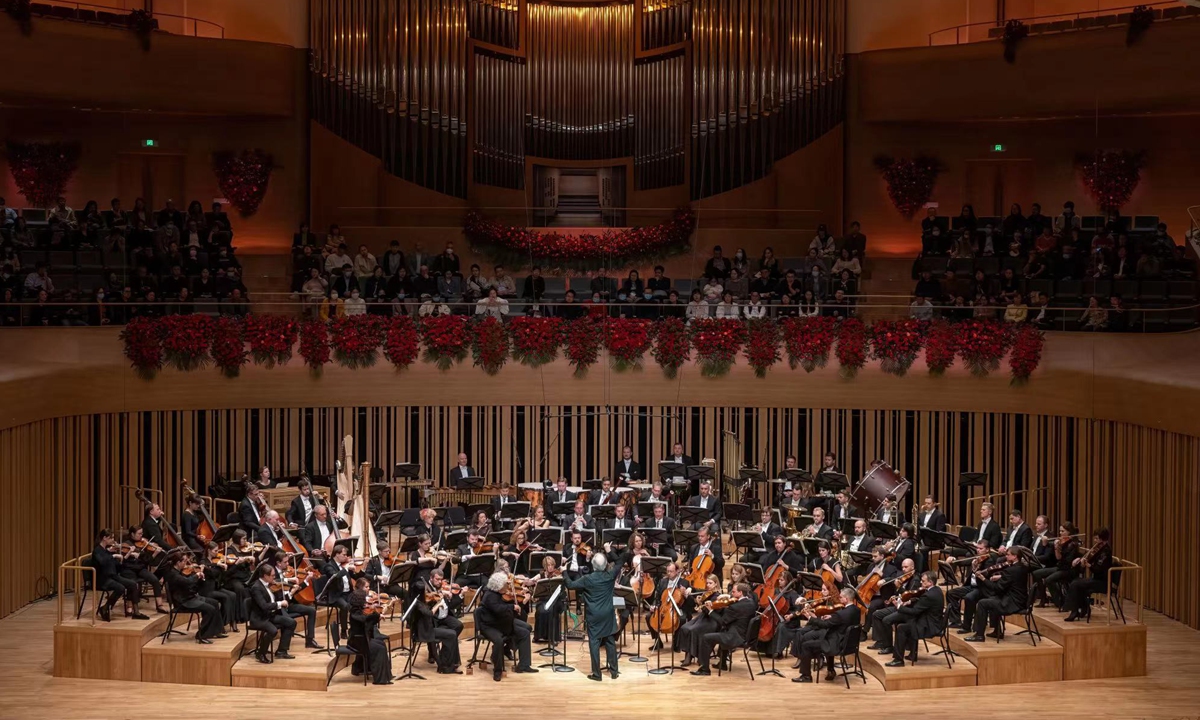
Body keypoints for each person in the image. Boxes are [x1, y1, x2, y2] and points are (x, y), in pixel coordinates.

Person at [565, 550, 623, 681]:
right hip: (608, 613)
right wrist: (609, 551)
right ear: (605, 565)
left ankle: (597, 674)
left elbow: (570, 585)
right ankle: (614, 672)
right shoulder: (610, 575)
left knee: (594, 642)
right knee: (609, 641)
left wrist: (564, 571)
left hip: (594, 615)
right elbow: (620, 562)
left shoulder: (588, 579)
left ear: (593, 565)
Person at [476, 571, 538, 681]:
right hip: (489, 626)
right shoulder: (489, 596)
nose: (508, 586)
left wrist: (521, 603)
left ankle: (524, 665)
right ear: (498, 586)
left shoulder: (501, 594)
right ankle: (497, 670)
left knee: (525, 632)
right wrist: (512, 607)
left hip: (502, 623)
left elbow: (509, 612)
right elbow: (498, 610)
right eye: (505, 584)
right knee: (499, 641)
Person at [792, 586, 860, 683]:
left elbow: (824, 625)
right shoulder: (856, 610)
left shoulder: (840, 615)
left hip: (835, 644)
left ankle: (806, 676)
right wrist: (831, 617)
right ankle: (830, 670)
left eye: (841, 597)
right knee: (815, 637)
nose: (839, 599)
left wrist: (811, 619)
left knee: (805, 645)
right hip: (848, 643)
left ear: (846, 599)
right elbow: (841, 620)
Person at [964, 548, 1029, 641]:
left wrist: (983, 579)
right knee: (993, 598)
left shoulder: (1010, 570)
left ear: (1015, 557)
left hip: (1012, 602)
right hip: (1021, 599)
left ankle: (979, 635)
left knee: (982, 603)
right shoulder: (1023, 567)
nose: (1006, 556)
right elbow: (1012, 579)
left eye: (1008, 554)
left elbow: (997, 588)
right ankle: (997, 631)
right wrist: (1001, 577)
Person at [691, 582, 755, 676]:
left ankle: (704, 669)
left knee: (706, 638)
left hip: (735, 637)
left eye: (733, 592)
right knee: (723, 630)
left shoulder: (734, 607)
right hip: (747, 636)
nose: (731, 594)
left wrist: (710, 610)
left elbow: (722, 621)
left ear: (740, 592)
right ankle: (723, 663)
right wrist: (727, 598)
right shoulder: (751, 602)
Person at [883, 571, 944, 666]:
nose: (921, 582)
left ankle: (898, 660)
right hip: (935, 621)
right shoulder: (937, 590)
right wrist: (910, 602)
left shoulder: (928, 596)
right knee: (909, 621)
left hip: (929, 626)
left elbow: (914, 611)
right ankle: (912, 654)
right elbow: (922, 601)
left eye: (923, 581)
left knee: (901, 628)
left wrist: (899, 607)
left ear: (930, 583)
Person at [162, 551, 225, 643]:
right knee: (210, 609)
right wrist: (196, 575)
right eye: (184, 561)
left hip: (190, 597)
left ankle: (216, 631)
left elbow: (189, 582)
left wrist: (197, 576)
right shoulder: (173, 574)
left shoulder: (179, 571)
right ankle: (201, 635)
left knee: (214, 603)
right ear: (178, 562)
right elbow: (187, 582)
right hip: (183, 602)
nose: (186, 564)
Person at [410, 578, 461, 675]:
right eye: (424, 591)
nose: (426, 592)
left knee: (452, 634)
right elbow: (429, 613)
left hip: (428, 627)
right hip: (424, 631)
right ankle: (446, 666)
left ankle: (450, 663)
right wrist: (438, 604)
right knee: (452, 635)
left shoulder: (422, 601)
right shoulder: (418, 604)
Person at [248, 563, 296, 662]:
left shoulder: (269, 584)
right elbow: (264, 606)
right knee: (273, 630)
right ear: (265, 576)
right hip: (259, 618)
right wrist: (280, 603)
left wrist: (289, 593)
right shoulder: (256, 588)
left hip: (269, 615)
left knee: (291, 622)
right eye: (272, 576)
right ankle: (261, 653)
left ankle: (282, 651)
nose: (274, 578)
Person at [1062, 528, 1113, 622]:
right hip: (1096, 579)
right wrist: (1080, 559)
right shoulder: (1098, 549)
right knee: (1077, 583)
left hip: (1103, 582)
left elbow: (1098, 570)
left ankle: (1074, 611)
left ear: (1103, 540)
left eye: (1097, 539)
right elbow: (1089, 558)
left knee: (1075, 584)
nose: (1095, 541)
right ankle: (1084, 608)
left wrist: (1088, 565)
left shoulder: (1106, 552)